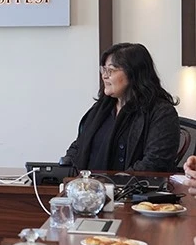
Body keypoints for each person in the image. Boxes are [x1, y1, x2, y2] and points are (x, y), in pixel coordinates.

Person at [62, 43, 179, 172]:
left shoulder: (161, 112)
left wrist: (117, 181)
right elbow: (79, 145)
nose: (104, 76)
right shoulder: (101, 109)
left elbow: (155, 162)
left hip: (133, 184)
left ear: (133, 73)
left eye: (111, 70)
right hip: (90, 184)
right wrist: (65, 169)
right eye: (104, 70)